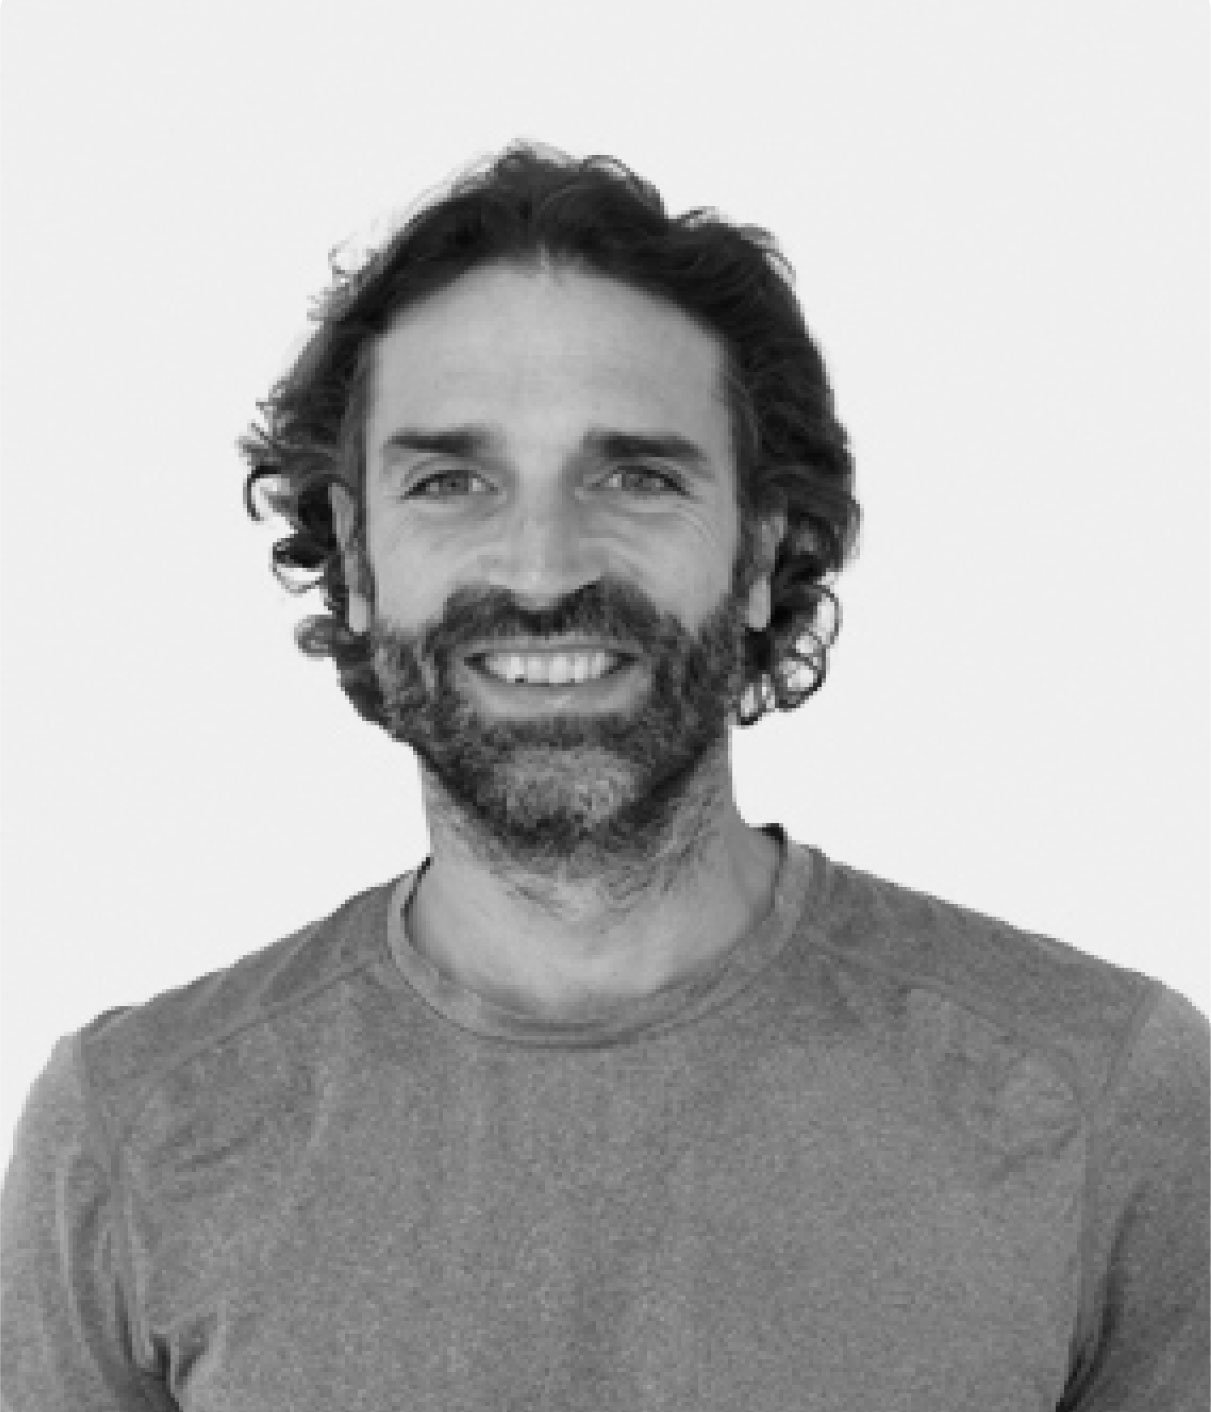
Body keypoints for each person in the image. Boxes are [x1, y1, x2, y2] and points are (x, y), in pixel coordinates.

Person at [2, 140, 1207, 1411]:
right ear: (354, 554)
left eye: (634, 476)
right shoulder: (132, 1135)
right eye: (450, 481)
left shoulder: (1102, 1100)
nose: (540, 567)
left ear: (760, 549)